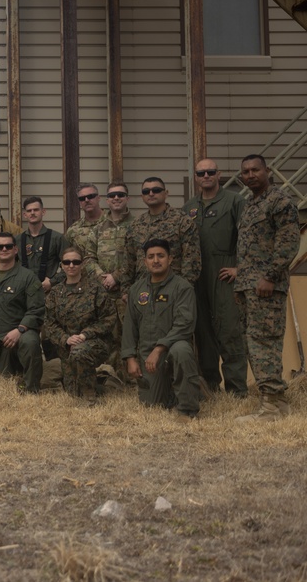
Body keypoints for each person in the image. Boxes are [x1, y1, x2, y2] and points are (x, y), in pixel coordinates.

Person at [230, 154, 300, 421]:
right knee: (254, 343)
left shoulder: (280, 202)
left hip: (266, 287)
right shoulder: (250, 205)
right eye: (245, 171)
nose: (250, 175)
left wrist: (270, 276)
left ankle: (272, 406)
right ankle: (275, 404)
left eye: (255, 170)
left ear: (267, 171)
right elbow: (250, 247)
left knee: (263, 342)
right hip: (249, 286)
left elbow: (288, 243)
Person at [183, 158, 247, 396]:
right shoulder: (188, 207)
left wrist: (240, 268)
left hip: (224, 274)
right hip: (196, 277)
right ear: (196, 177)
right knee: (203, 332)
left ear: (218, 174)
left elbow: (249, 239)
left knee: (229, 331)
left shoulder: (235, 202)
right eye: (201, 173)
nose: (206, 176)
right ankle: (211, 387)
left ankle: (237, 390)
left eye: (211, 171)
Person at [122, 239, 201, 420]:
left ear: (170, 259)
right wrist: (130, 358)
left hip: (172, 351)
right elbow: (130, 327)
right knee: (152, 405)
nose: (156, 260)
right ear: (145, 261)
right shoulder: (136, 290)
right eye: (151, 257)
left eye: (160, 256)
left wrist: (159, 349)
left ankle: (187, 409)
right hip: (147, 356)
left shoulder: (182, 288)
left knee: (181, 349)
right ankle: (186, 388)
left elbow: (185, 325)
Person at [0, 232, 45, 392]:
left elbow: (36, 309)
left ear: (15, 249)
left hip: (18, 334)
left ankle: (32, 391)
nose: (4, 249)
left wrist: (21, 329)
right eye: (0, 246)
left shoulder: (28, 277)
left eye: (8, 246)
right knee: (2, 389)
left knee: (31, 341)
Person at [42, 246, 116, 403]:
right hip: (67, 347)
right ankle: (101, 383)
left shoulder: (95, 289)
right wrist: (66, 339)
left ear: (82, 264)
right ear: (61, 265)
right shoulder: (55, 293)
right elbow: (49, 323)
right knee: (73, 392)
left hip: (94, 343)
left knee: (79, 355)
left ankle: (90, 399)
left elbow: (108, 318)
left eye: (76, 262)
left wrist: (84, 335)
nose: (71, 266)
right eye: (67, 262)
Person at [85, 181, 135, 378]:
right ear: (106, 200)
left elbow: (139, 257)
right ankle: (110, 377)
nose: (116, 198)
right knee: (107, 336)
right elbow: (88, 257)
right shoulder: (97, 229)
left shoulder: (137, 225)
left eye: (121, 195)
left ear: (127, 199)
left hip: (127, 292)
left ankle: (130, 378)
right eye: (112, 195)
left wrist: (116, 277)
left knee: (128, 335)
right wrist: (102, 276)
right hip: (103, 293)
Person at [124, 177, 201, 288]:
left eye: (156, 190)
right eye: (146, 191)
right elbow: (129, 261)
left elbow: (192, 260)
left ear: (166, 193)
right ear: (142, 196)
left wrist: (184, 289)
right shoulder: (135, 225)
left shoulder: (182, 221)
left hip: (172, 289)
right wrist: (126, 289)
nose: (151, 194)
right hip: (142, 291)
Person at [16, 196, 69, 292]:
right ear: (24, 215)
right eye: (29, 211)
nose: (32, 213)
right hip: (23, 292)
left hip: (51, 292)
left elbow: (70, 265)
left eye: (36, 210)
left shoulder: (57, 238)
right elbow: (10, 266)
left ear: (43, 212)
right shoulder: (18, 240)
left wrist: (53, 281)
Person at [63, 183, 104, 259]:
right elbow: (67, 259)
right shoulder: (73, 231)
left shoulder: (113, 223)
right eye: (82, 198)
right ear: (79, 202)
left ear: (98, 198)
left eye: (90, 196)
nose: (86, 200)